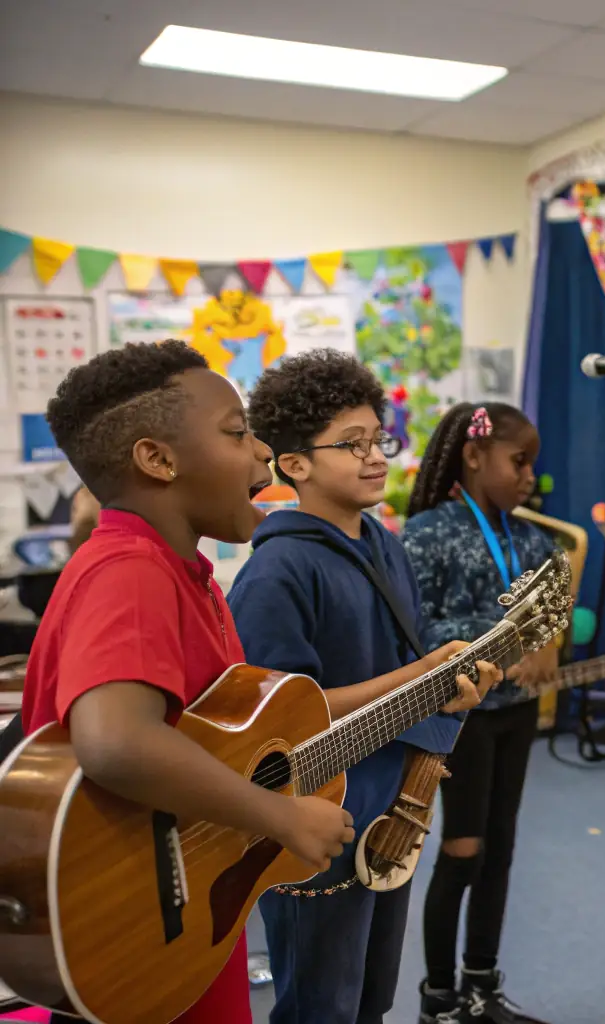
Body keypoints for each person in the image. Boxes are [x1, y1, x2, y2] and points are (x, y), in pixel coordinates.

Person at [20, 341, 357, 1024]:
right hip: (137, 919)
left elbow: (232, 736)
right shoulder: (131, 570)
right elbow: (116, 744)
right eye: (237, 433)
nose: (263, 453)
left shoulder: (176, 574)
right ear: (158, 459)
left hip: (183, 913)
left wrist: (424, 679)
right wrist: (282, 816)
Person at [227, 351, 498, 1024]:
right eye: (352, 445)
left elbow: (414, 661)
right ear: (294, 464)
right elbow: (278, 728)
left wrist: (454, 685)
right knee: (319, 1007)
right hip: (310, 823)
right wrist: (420, 676)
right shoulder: (277, 572)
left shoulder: (383, 543)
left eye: (379, 439)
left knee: (371, 1000)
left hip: (393, 809)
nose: (376, 457)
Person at [404, 403, 559, 1024]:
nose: (529, 478)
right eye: (518, 462)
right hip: (459, 718)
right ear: (474, 457)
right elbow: (417, 626)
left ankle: (482, 985)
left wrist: (548, 639)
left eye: (533, 466)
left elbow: (554, 610)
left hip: (515, 714)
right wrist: (512, 635)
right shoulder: (427, 532)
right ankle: (439, 998)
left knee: (499, 850)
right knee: (463, 850)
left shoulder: (533, 537)